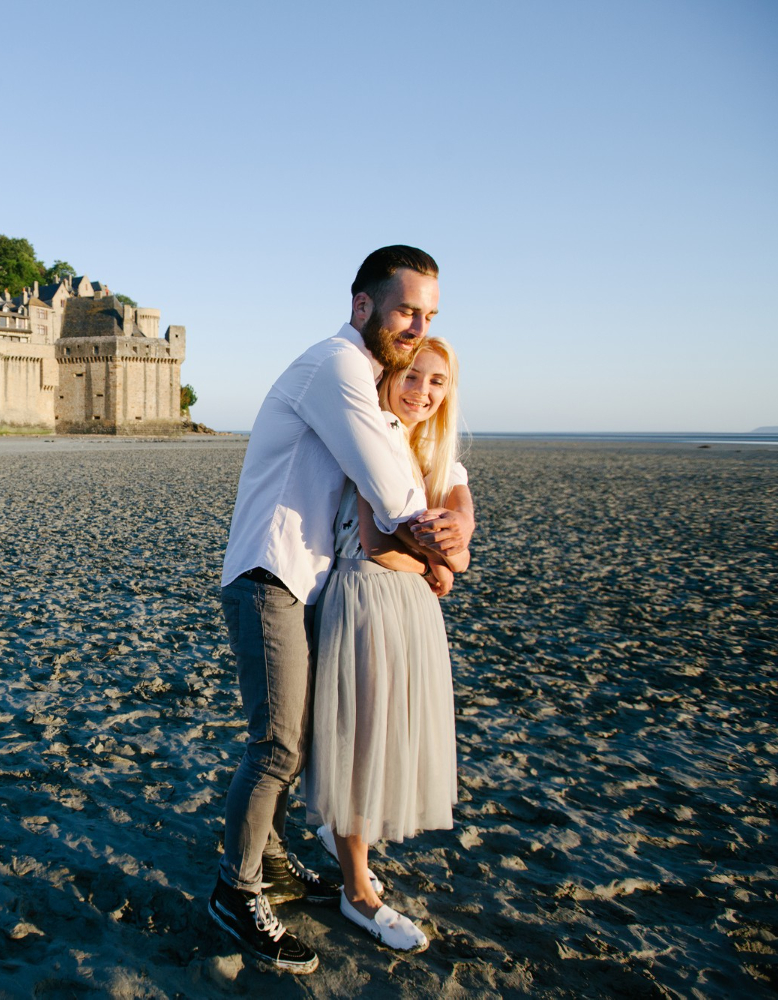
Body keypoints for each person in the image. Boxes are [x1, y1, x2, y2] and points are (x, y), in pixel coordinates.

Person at [208, 246, 474, 974]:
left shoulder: (366, 375)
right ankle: (235, 892)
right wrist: (443, 551)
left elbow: (422, 471)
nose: (417, 326)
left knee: (297, 739)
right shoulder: (340, 368)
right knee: (278, 746)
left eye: (430, 316)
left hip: (304, 580)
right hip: (269, 573)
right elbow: (393, 493)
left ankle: (277, 862)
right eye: (406, 310)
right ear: (363, 306)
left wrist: (459, 527)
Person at [305, 337, 470, 953]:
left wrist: (457, 546)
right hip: (369, 598)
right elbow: (376, 540)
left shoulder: (429, 446)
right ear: (388, 375)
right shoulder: (373, 434)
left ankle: (345, 843)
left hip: (409, 607)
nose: (423, 392)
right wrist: (439, 565)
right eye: (413, 376)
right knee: (362, 740)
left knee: (386, 732)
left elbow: (459, 514)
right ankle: (356, 892)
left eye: (437, 383)